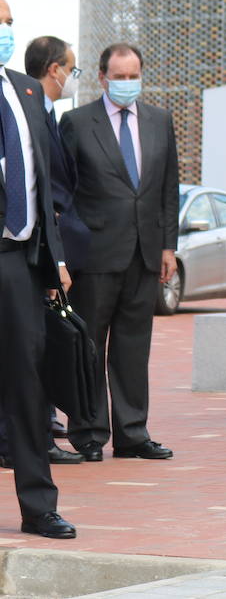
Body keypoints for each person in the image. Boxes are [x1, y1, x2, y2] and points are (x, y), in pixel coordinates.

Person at [60, 43, 179, 462]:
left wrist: (169, 245)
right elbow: (64, 192)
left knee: (133, 348)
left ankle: (132, 434)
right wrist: (65, 251)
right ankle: (88, 433)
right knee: (89, 346)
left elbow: (168, 188)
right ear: (102, 77)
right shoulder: (76, 122)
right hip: (93, 254)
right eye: (120, 76)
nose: (128, 84)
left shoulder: (159, 121)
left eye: (134, 76)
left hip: (145, 252)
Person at [0, 0, 76, 538]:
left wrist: (53, 262)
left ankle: (38, 506)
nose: (5, 31)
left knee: (28, 385)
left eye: (7, 23)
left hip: (20, 263)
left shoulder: (26, 91)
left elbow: (42, 182)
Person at [20, 35, 86, 465]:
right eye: (71, 68)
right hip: (33, 249)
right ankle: (33, 436)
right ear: (53, 69)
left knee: (40, 344)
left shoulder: (50, 114)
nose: (72, 77)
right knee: (32, 347)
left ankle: (43, 425)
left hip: (50, 245)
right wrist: (56, 258)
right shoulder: (28, 114)